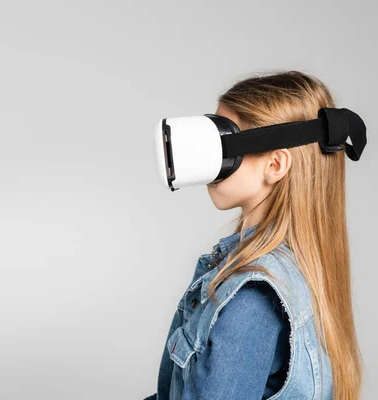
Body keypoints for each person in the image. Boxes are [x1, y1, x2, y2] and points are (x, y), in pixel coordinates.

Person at [147, 71, 362, 400]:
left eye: (222, 142)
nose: (206, 161)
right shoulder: (302, 272)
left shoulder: (250, 298)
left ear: (275, 164)